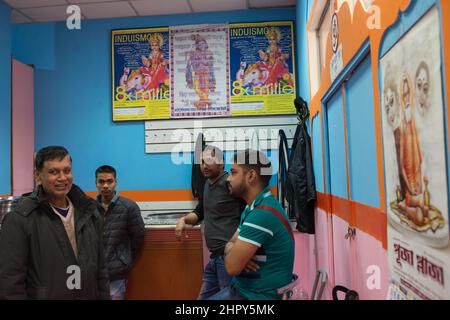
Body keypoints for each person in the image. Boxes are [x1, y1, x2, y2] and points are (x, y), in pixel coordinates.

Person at [0, 146, 109, 299]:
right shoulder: (20, 219)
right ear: (37, 176)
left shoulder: (89, 212)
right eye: (54, 172)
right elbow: (10, 283)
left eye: (67, 171)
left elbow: (101, 271)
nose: (63, 178)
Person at [209, 149, 295, 300]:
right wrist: (233, 250)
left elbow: (231, 267)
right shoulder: (253, 206)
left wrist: (234, 253)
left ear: (251, 176)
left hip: (255, 297)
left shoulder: (261, 214)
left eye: (234, 172)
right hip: (241, 290)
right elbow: (230, 244)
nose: (228, 178)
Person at [175, 145, 244, 300]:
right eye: (201, 162)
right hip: (214, 259)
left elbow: (248, 215)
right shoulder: (206, 184)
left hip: (228, 258)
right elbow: (199, 212)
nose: (204, 166)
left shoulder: (231, 183)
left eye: (208, 161)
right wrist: (183, 219)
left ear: (221, 163)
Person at [95, 165, 145, 300]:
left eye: (109, 181)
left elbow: (138, 237)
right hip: (94, 273)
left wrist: (124, 259)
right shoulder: (89, 208)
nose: (105, 185)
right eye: (101, 182)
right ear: (96, 183)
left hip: (117, 271)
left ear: (115, 182)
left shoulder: (129, 207)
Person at [186, 34, 216, 108]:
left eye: (202, 43)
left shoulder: (209, 54)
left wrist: (212, 80)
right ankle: (207, 102)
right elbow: (189, 66)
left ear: (205, 44)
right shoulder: (194, 54)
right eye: (199, 44)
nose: (201, 45)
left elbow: (211, 67)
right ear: (197, 46)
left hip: (206, 74)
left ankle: (202, 103)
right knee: (197, 88)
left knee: (205, 89)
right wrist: (189, 79)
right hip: (197, 74)